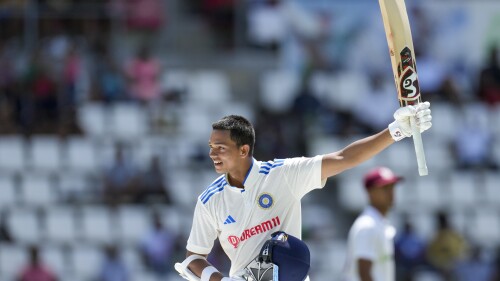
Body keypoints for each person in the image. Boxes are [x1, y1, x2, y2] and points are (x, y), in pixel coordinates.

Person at [175, 101, 432, 281]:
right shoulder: (210, 200)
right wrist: (220, 280)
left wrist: (396, 131)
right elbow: (193, 257)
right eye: (211, 146)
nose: (212, 153)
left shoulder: (281, 174)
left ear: (243, 150)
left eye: (220, 147)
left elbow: (343, 158)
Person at [342, 167, 402, 281]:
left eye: (392, 187)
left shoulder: (378, 223)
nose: (391, 192)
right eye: (385, 188)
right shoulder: (367, 226)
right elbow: (364, 273)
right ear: (370, 192)